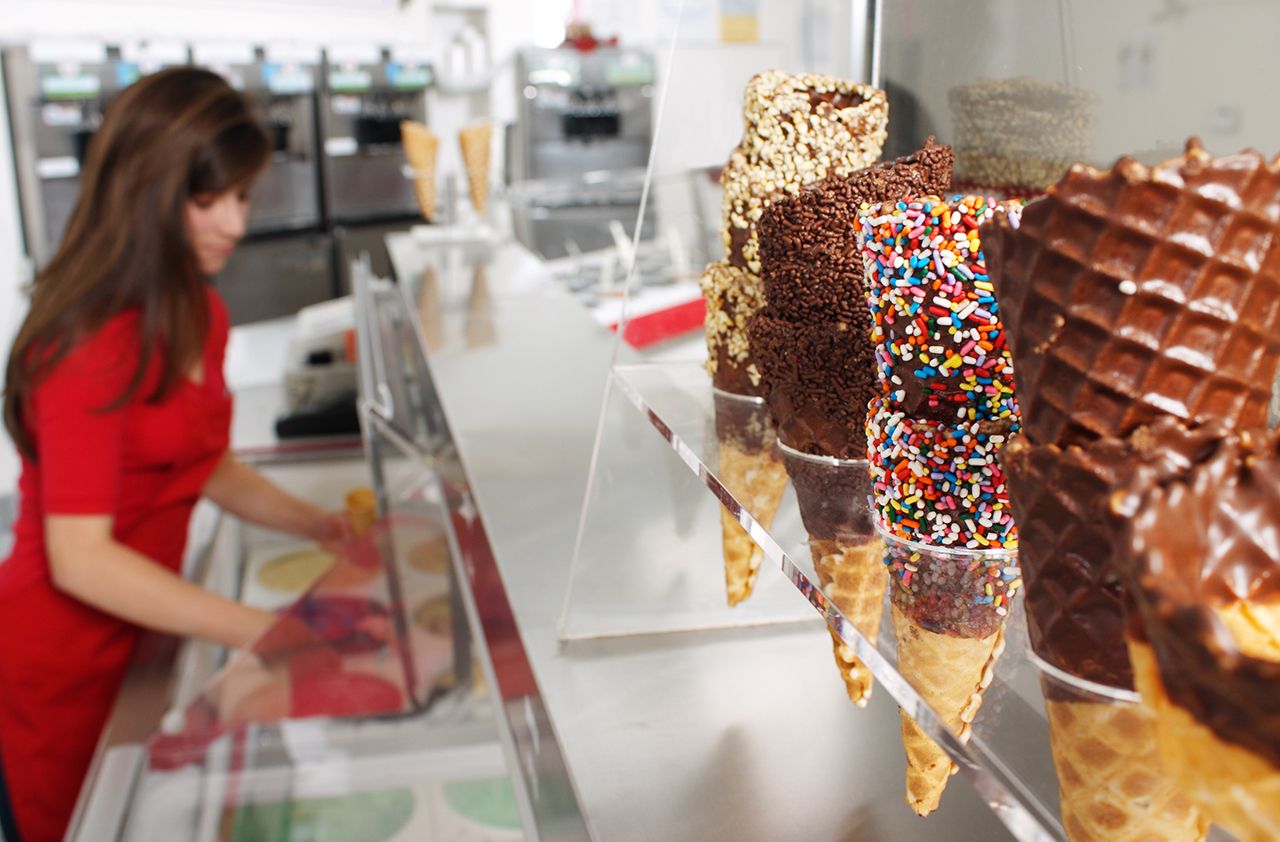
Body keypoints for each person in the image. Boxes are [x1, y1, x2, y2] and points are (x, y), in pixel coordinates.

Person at [0, 67, 350, 842]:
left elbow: (203, 462)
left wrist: (320, 527)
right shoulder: (88, 343)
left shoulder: (200, 309)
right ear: (149, 191)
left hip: (147, 626)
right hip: (61, 656)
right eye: (207, 200)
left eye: (242, 198)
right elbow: (80, 559)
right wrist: (256, 629)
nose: (232, 222)